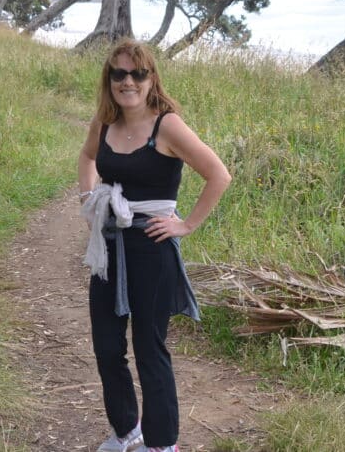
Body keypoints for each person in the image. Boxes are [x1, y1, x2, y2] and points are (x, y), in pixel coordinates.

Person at [78, 38, 232, 452]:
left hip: (151, 247)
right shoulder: (106, 121)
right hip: (109, 248)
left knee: (149, 349)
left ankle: (162, 444)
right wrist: (87, 198)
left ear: (151, 78)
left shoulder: (168, 125)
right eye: (119, 74)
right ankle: (127, 431)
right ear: (109, 80)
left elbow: (219, 174)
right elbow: (87, 157)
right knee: (108, 347)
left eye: (137, 73)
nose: (127, 81)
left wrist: (186, 225)